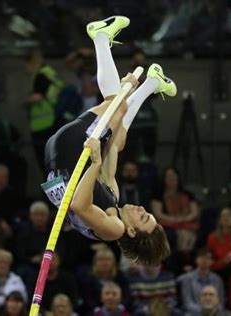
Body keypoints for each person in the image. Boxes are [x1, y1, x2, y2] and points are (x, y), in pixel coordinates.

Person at [44, 16, 176, 266]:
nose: (142, 209)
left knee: (115, 106)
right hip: (60, 157)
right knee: (119, 136)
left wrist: (94, 160)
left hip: (69, 154)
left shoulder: (113, 229)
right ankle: (151, 83)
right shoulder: (112, 198)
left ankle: (101, 37)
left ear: (133, 232)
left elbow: (80, 206)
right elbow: (111, 151)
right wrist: (112, 133)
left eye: (144, 217)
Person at [23, 49, 64, 172]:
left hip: (44, 125)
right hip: (54, 122)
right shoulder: (50, 73)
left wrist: (25, 102)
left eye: (26, 65)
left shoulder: (41, 75)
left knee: (46, 164)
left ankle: (51, 189)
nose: (25, 69)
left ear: (31, 62)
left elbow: (38, 97)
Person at [151, 167, 200, 255]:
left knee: (190, 237)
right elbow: (158, 214)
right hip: (167, 223)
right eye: (168, 176)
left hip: (185, 222)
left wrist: (183, 219)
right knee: (182, 235)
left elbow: (194, 212)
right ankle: (180, 259)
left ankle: (187, 260)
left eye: (173, 176)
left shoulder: (187, 194)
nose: (171, 179)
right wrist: (173, 219)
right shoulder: (158, 195)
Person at [178, 248, 225, 314]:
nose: (204, 260)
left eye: (207, 258)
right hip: (194, 313)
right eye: (201, 257)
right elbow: (187, 303)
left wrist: (212, 311)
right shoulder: (187, 279)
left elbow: (221, 303)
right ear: (196, 260)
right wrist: (203, 311)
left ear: (212, 261)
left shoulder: (217, 280)